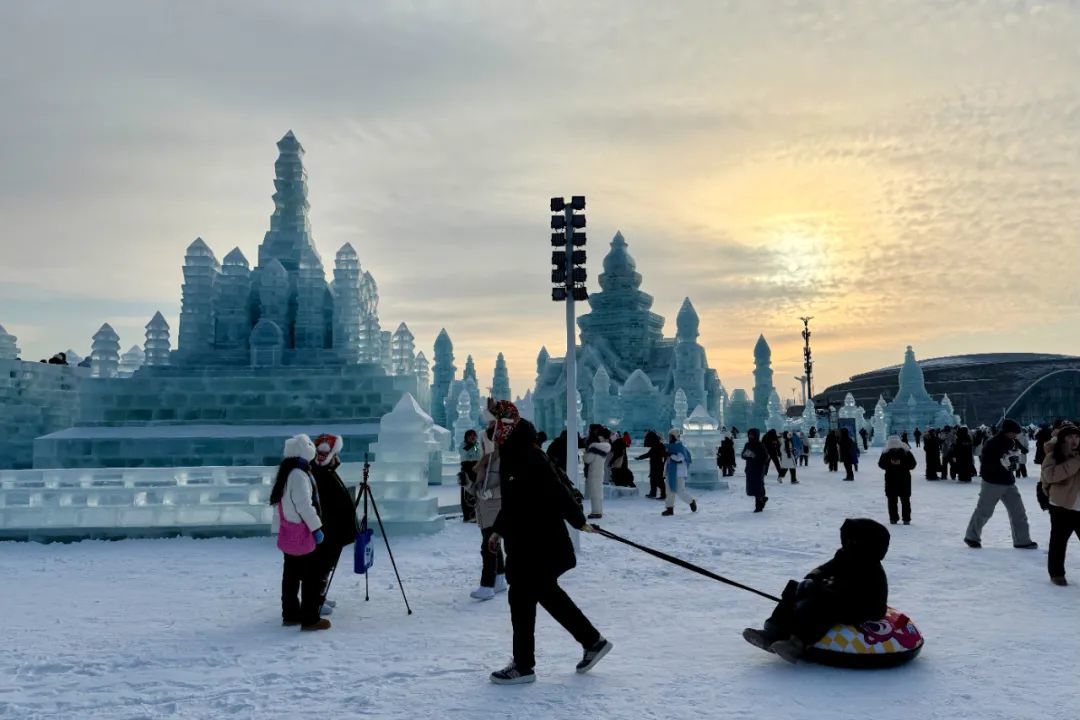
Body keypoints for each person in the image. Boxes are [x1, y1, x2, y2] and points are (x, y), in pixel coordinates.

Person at [488, 419, 612, 685]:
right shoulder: (515, 457)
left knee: (525, 597)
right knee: (540, 594)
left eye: (497, 429)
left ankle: (524, 665)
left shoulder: (530, 457)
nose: (494, 434)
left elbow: (558, 492)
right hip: (529, 545)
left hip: (540, 546)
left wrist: (579, 521)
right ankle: (591, 642)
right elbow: (513, 504)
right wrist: (498, 531)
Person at [742, 519, 890, 663]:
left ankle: (797, 643)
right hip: (839, 595)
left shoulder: (870, 568)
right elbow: (827, 568)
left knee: (824, 603)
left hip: (863, 607)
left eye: (853, 541)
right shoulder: (845, 555)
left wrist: (822, 589)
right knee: (795, 588)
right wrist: (813, 578)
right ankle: (773, 632)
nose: (848, 543)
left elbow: (852, 594)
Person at [270, 434, 330, 631]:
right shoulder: (299, 474)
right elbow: (304, 505)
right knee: (311, 577)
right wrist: (317, 528)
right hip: (302, 533)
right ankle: (310, 618)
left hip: (289, 532)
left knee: (291, 576)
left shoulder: (287, 472)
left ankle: (290, 613)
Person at [964, 419, 1037, 550]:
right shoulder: (991, 443)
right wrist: (1003, 462)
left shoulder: (1012, 442)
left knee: (1018, 512)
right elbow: (986, 464)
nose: (1015, 435)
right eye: (1014, 433)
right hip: (992, 482)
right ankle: (971, 537)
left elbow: (1023, 451)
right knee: (984, 511)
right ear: (1006, 431)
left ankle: (1022, 540)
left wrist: (1013, 461)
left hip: (1009, 482)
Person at [310, 434, 360, 617]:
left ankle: (320, 595)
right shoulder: (320, 471)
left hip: (333, 528)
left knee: (327, 564)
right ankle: (314, 600)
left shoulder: (326, 469)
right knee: (321, 564)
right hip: (328, 528)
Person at [468, 404, 512, 601]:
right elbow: (480, 486)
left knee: (488, 545)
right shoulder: (486, 460)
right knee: (494, 543)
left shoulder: (505, 456)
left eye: (494, 423)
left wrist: (491, 494)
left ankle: (487, 585)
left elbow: (511, 484)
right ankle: (499, 579)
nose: (490, 427)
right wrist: (468, 485)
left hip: (497, 506)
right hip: (486, 506)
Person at [1040, 424, 1080, 586]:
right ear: (1063, 438)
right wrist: (1075, 462)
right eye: (1070, 437)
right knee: (1058, 541)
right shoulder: (1054, 455)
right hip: (1061, 505)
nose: (1074, 440)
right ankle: (1056, 573)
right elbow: (1049, 476)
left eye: (1077, 437)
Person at [878, 436, 917, 525]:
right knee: (905, 500)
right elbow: (913, 464)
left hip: (890, 479)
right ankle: (906, 519)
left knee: (892, 500)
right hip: (904, 479)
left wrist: (890, 465)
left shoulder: (886, 453)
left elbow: (881, 464)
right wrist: (903, 465)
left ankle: (893, 518)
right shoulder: (906, 452)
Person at [662, 430, 697, 516]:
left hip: (679, 473)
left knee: (680, 491)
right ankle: (669, 509)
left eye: (671, 436)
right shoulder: (670, 447)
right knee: (669, 491)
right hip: (670, 473)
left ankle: (691, 501)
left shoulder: (680, 447)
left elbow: (680, 459)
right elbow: (668, 461)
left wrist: (670, 454)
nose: (669, 438)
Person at [582, 426, 611, 519]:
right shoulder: (607, 446)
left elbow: (587, 459)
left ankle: (596, 512)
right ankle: (599, 510)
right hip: (600, 470)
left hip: (593, 471)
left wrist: (584, 453)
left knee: (594, 492)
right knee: (598, 492)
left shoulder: (594, 446)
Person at [742, 428, 769, 512]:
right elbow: (743, 455)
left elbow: (765, 457)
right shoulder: (747, 444)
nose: (750, 436)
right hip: (750, 469)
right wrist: (749, 455)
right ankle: (763, 498)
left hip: (759, 469)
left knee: (758, 486)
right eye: (749, 435)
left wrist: (756, 457)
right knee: (753, 487)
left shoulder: (760, 445)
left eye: (752, 435)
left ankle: (758, 506)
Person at [458, 429, 482, 522]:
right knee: (467, 492)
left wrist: (474, 445)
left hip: (475, 469)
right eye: (470, 436)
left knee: (476, 492)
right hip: (466, 471)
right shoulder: (462, 445)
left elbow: (477, 454)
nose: (472, 438)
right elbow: (465, 454)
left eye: (474, 436)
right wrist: (471, 446)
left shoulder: (476, 445)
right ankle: (468, 515)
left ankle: (476, 514)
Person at [638, 430, 667, 500]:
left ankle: (663, 494)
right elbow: (649, 454)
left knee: (659, 481)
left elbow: (665, 455)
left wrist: (664, 464)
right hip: (655, 465)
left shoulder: (659, 446)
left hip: (658, 466)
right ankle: (653, 493)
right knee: (653, 480)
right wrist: (639, 457)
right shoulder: (657, 446)